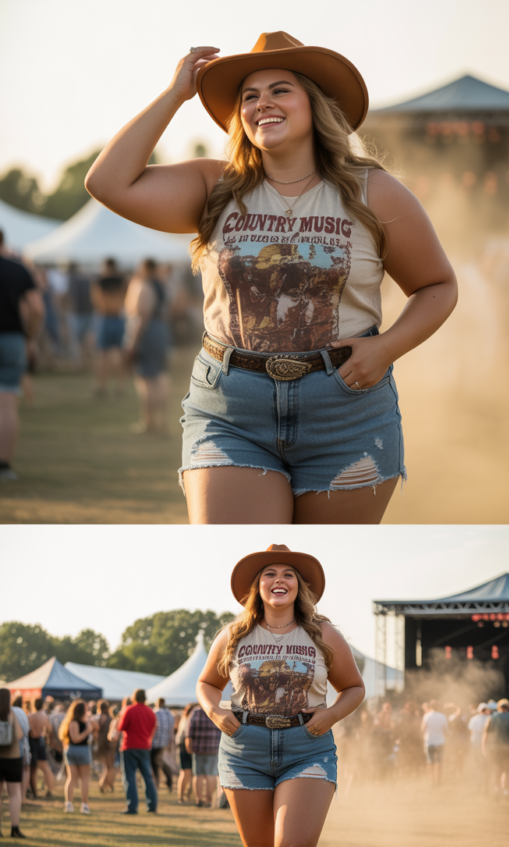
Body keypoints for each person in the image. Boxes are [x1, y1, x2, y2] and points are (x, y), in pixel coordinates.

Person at [85, 32, 458, 525]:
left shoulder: (374, 192)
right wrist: (176, 94)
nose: (263, 103)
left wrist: (388, 347)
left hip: (344, 409)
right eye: (249, 96)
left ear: (314, 104)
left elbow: (437, 286)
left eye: (280, 90)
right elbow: (106, 183)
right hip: (230, 407)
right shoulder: (213, 186)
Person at [195, 543, 365, 847]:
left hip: (305, 746)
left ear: (299, 587)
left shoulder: (323, 633)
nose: (278, 580)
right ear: (257, 587)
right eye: (269, 573)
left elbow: (353, 688)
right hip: (244, 748)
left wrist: (328, 717)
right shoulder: (232, 635)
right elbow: (207, 682)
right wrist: (214, 710)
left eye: (288, 573)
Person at [0, 231, 44, 481]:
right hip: (12, 339)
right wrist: (29, 337)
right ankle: (4, 466)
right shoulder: (18, 270)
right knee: (6, 405)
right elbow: (36, 308)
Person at [124, 259, 171, 434]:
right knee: (160, 376)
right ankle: (162, 421)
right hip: (161, 330)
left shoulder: (144, 286)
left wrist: (133, 342)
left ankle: (149, 422)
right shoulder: (162, 285)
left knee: (146, 379)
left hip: (149, 331)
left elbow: (142, 315)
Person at [90, 258, 127, 396]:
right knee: (118, 354)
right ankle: (119, 386)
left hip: (106, 318)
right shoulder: (122, 281)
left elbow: (97, 301)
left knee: (103, 355)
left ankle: (102, 386)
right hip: (118, 318)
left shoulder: (99, 281)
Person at [117, 690, 157, 815]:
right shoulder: (150, 712)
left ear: (134, 698)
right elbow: (153, 728)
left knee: (130, 777)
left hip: (129, 746)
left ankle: (132, 806)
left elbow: (121, 727)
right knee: (148, 777)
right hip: (144, 746)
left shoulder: (129, 710)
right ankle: (152, 805)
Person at [59, 700, 93, 813]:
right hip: (80, 750)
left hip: (71, 750)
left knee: (72, 778)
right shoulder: (75, 723)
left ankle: (69, 804)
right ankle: (84, 805)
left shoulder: (72, 722)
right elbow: (76, 739)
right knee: (84, 779)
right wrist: (87, 731)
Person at [482, 698, 509, 800]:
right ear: (508, 707)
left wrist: (483, 747)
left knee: (497, 769)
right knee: (508, 770)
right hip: (508, 747)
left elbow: (486, 734)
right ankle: (505, 790)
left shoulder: (492, 717)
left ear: (498, 707)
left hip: (495, 747)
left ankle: (497, 789)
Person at [0, 687, 25, 837]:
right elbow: (20, 734)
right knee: (14, 794)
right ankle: (14, 828)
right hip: (13, 757)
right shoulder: (12, 714)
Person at [185, 704, 221, 807]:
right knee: (211, 775)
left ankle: (199, 800)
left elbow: (189, 731)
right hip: (214, 749)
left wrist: (189, 744)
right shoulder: (217, 711)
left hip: (198, 749)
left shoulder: (196, 712)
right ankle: (209, 800)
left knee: (198, 775)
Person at [27, 698, 55, 799]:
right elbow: (50, 729)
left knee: (32, 770)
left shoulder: (30, 716)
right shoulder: (45, 717)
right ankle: (50, 789)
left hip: (33, 743)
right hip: (41, 742)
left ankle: (34, 792)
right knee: (46, 768)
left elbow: (31, 732)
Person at [421, 700, 449, 786]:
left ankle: (432, 779)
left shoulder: (427, 716)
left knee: (430, 761)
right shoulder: (443, 716)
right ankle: (438, 780)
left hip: (429, 741)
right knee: (439, 762)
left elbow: (422, 729)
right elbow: (446, 730)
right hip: (440, 741)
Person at [151, 697, 175, 791]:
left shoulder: (155, 713)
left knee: (154, 764)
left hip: (154, 743)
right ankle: (169, 780)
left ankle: (155, 785)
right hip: (165, 743)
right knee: (161, 762)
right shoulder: (170, 714)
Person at [11, 694, 31, 803]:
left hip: (12, 747)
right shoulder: (22, 713)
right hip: (24, 746)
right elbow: (27, 730)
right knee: (24, 772)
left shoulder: (10, 711)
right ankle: (22, 798)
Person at [93, 700, 116, 793]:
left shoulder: (96, 718)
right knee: (109, 767)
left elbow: (94, 733)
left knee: (105, 766)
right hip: (109, 745)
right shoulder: (110, 718)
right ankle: (106, 785)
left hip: (100, 745)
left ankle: (104, 784)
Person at [467, 703, 490, 792]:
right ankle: (485, 786)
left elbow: (471, 732)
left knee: (478, 766)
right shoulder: (489, 719)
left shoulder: (473, 719)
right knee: (486, 767)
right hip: (487, 746)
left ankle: (479, 785)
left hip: (475, 745)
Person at [175, 703, 194, 803]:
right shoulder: (190, 720)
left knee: (185, 774)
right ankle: (182, 796)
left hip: (182, 748)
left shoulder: (183, 719)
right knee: (186, 774)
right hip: (186, 748)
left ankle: (183, 796)